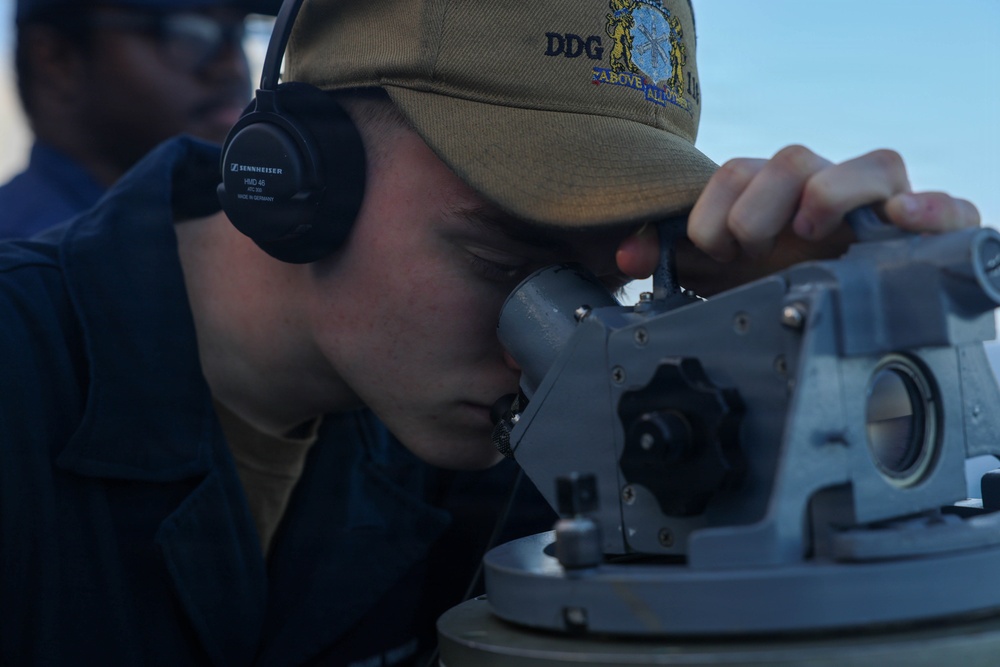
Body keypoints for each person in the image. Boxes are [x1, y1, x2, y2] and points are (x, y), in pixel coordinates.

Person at [0, 0, 981, 665]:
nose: (545, 344)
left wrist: (792, 364)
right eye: (508, 259)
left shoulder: (486, 437)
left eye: (602, 277)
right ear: (298, 176)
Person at [0, 0, 281, 239]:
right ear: (56, 61)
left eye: (240, 33)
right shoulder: (21, 279)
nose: (232, 67)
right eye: (189, 34)